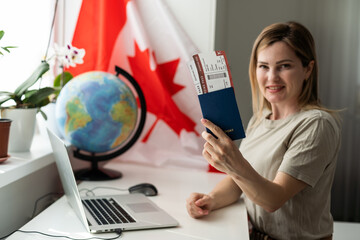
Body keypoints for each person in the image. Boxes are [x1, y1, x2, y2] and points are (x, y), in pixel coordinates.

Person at [186, 21, 341, 240]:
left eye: (284, 66)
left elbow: (272, 200)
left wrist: (233, 162)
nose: (272, 77)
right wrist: (209, 200)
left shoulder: (316, 124)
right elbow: (237, 182)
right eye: (264, 66)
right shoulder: (260, 119)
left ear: (308, 69)